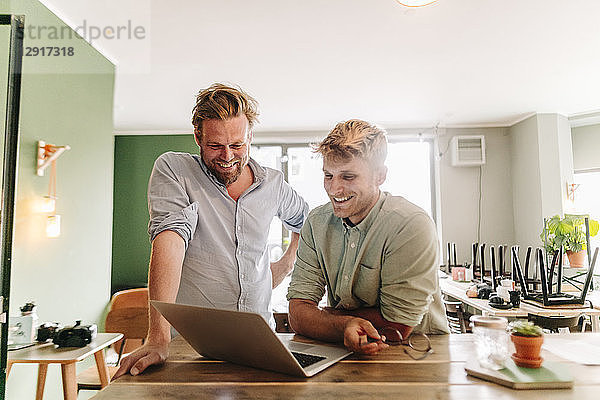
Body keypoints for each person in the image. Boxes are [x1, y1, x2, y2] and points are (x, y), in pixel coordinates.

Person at [116, 83, 309, 377]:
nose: (228, 156)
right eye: (215, 145)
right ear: (198, 137)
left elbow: (307, 224)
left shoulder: (274, 184)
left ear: (250, 136)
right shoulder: (175, 170)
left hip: (259, 345)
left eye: (237, 145)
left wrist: (286, 263)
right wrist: (157, 337)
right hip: (193, 348)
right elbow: (169, 240)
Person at [287, 119, 448, 355]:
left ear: (380, 175)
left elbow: (398, 326)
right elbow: (297, 315)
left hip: (419, 352)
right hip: (345, 350)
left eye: (348, 177)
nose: (334, 189)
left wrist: (323, 317)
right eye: (329, 176)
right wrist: (338, 324)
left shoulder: (410, 224)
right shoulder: (316, 222)